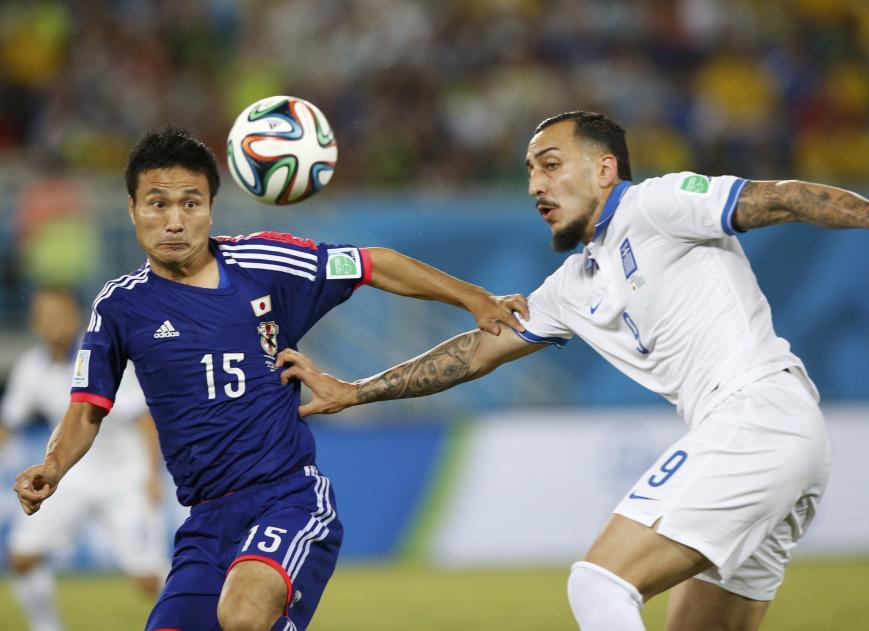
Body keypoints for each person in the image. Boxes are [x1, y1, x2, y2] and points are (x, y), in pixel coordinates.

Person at [274, 111, 869, 631]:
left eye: (550, 163)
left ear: (604, 170)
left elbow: (778, 196)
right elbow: (476, 351)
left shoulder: (656, 204)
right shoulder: (573, 283)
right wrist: (357, 390)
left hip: (755, 416)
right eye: (529, 171)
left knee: (597, 583)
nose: (535, 183)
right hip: (774, 435)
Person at [12, 126, 528, 631]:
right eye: (157, 203)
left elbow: (376, 264)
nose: (174, 220)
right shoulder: (119, 307)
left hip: (288, 498)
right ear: (131, 209)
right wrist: (54, 465)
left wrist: (473, 298)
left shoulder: (263, 263)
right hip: (205, 521)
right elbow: (86, 408)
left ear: (211, 210)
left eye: (190, 204)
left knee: (242, 615)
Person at [2, 287, 169, 631]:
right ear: (35, 322)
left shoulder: (105, 356)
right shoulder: (31, 368)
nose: (53, 323)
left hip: (125, 478)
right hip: (71, 478)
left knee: (149, 579)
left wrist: (153, 476)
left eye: (59, 314)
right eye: (45, 316)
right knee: (20, 558)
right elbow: (9, 424)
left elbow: (143, 418)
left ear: (76, 316)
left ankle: (202, 619)